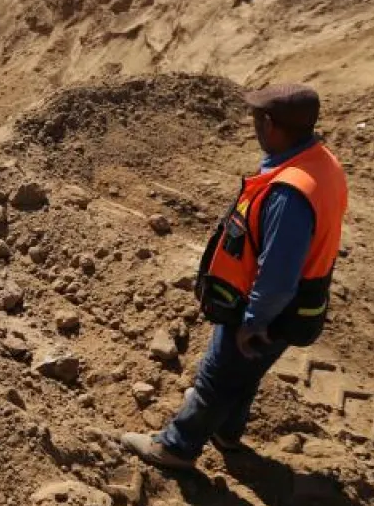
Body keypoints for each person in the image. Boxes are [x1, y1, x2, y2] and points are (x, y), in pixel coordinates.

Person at [122, 83, 349, 469]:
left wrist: (254, 320)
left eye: (258, 119)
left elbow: (278, 272)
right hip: (299, 303)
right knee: (246, 372)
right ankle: (226, 431)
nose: (253, 125)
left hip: (271, 307)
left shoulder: (289, 194)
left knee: (218, 374)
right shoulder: (320, 162)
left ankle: (175, 448)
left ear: (273, 125)